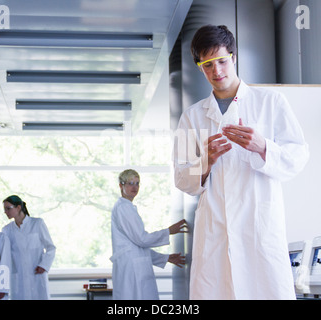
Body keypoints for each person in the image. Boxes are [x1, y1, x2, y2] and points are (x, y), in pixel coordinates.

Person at [173, 25, 309, 300]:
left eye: (222, 61)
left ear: (233, 57)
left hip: (259, 228)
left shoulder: (270, 102)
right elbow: (181, 178)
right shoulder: (192, 116)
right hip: (215, 233)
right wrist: (206, 161)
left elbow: (298, 156)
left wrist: (263, 147)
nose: (217, 71)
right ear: (200, 67)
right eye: (207, 65)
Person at [110, 169, 187, 300]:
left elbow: (138, 248)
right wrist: (168, 231)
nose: (134, 187)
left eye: (137, 183)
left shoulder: (126, 207)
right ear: (121, 185)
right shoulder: (124, 208)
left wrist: (165, 258)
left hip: (132, 267)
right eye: (130, 183)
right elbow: (142, 240)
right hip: (131, 270)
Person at [2, 195, 56, 300]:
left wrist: (44, 265)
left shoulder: (37, 224)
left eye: (8, 208)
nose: (6, 212)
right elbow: (4, 254)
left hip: (37, 274)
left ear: (18, 207)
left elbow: (51, 248)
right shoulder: (7, 230)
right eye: (4, 209)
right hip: (18, 278)